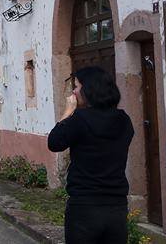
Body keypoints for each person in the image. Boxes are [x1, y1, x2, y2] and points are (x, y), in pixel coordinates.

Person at [48, 66, 134, 244]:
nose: (73, 91)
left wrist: (67, 112)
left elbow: (54, 143)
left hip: (84, 205)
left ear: (89, 89)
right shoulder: (123, 120)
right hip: (116, 205)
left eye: (76, 86)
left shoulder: (79, 120)